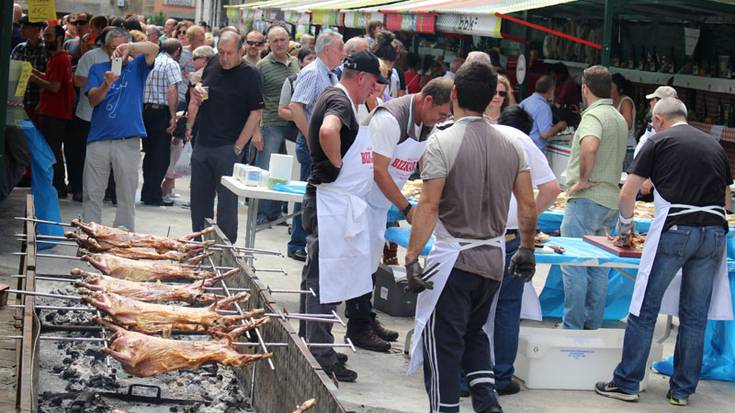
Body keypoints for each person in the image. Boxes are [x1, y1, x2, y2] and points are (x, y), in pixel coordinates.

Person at [404, 61, 537, 413]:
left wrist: (411, 257)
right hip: (494, 257)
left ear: (456, 95)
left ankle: (445, 409)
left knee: (443, 344)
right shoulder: (512, 144)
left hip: (454, 259)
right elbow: (527, 203)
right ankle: (487, 401)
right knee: (475, 332)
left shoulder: (442, 142)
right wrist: (525, 249)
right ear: (494, 96)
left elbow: (429, 206)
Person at [595, 97, 733, 406]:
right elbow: (726, 200)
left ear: (658, 120)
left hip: (676, 228)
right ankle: (682, 391)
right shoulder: (715, 147)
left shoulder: (658, 142)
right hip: (714, 232)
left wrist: (626, 227)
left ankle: (627, 382)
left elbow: (628, 192)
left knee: (645, 307)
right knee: (695, 317)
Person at [301, 50, 388, 382]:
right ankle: (320, 354)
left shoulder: (339, 97)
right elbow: (327, 131)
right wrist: (336, 163)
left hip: (332, 203)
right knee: (326, 279)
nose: (372, 91)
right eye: (372, 84)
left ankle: (313, 342)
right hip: (330, 203)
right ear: (362, 77)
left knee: (317, 276)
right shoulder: (339, 102)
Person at [348, 78, 452, 352]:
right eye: (441, 113)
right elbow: (378, 170)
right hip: (361, 200)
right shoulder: (390, 120)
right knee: (361, 264)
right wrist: (406, 207)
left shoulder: (426, 122)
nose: (442, 120)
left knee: (370, 263)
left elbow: (420, 160)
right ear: (427, 100)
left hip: (381, 203)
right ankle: (357, 327)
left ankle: (365, 317)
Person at [491, 105, 561, 396]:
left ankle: (461, 376)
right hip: (507, 236)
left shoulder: (471, 133)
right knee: (507, 306)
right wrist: (525, 221)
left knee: (468, 306)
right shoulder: (523, 143)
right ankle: (501, 377)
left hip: (467, 235)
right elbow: (552, 189)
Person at [560, 65, 628, 330]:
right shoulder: (618, 116)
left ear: (585, 89)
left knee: (574, 262)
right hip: (610, 199)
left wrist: (583, 180)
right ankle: (592, 323)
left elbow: (589, 145)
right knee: (599, 265)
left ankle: (572, 325)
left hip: (587, 198)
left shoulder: (593, 116)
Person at [186, 31, 264, 243]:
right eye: (221, 52)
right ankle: (199, 243)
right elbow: (203, 89)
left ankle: (224, 249)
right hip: (203, 142)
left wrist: (238, 147)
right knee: (199, 200)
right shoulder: (213, 64)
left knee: (227, 204)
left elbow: (255, 112)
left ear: (241, 51)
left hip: (229, 147)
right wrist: (197, 93)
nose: (225, 57)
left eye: (230, 53)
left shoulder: (250, 74)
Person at [83, 29, 158, 231]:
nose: (118, 53)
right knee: (93, 193)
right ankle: (90, 234)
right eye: (114, 48)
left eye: (121, 47)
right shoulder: (98, 69)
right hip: (99, 139)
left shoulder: (137, 66)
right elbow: (92, 100)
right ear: (107, 50)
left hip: (128, 140)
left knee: (126, 195)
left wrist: (130, 48)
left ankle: (122, 238)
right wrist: (106, 84)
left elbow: (154, 49)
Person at [288, 29, 345, 262]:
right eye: (340, 48)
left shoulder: (331, 73)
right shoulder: (313, 73)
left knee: (313, 192)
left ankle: (304, 240)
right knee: (308, 192)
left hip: (319, 141)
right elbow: (295, 107)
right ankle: (298, 243)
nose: (343, 53)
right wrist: (312, 137)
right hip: (312, 141)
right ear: (328, 49)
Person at [253, 24, 300, 225]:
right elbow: (254, 100)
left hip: (291, 124)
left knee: (283, 171)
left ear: (288, 41)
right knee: (265, 170)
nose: (280, 44)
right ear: (269, 43)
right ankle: (261, 213)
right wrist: (256, 131)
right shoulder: (262, 66)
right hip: (270, 123)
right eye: (275, 40)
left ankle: (275, 212)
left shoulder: (295, 63)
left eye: (283, 39)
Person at [67, 27, 116, 203]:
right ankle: (79, 188)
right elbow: (78, 79)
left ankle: (108, 192)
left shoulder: (123, 60)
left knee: (109, 157)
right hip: (86, 114)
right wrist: (102, 83)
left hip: (110, 117)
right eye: (114, 42)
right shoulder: (91, 57)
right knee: (80, 154)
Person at [30, 24, 74, 198]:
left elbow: (54, 87)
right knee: (52, 150)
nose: (45, 40)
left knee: (52, 151)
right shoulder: (57, 58)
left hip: (55, 113)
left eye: (48, 36)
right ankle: (57, 186)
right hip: (52, 111)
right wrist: (35, 73)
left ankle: (57, 187)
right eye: (45, 36)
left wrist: (33, 78)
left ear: (59, 38)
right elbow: (52, 80)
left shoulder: (61, 58)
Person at [141, 39, 183, 207]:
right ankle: (153, 194)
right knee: (160, 155)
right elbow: (172, 89)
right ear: (178, 51)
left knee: (150, 152)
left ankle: (147, 191)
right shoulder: (171, 64)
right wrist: (173, 116)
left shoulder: (152, 61)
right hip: (161, 111)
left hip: (145, 110)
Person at [11, 16, 47, 125]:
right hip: (19, 102)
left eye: (26, 27)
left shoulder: (46, 50)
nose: (21, 29)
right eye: (21, 26)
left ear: (37, 29)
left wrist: (42, 102)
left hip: (37, 103)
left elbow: (50, 79)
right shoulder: (19, 48)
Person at [519, 75, 567, 150]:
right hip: (534, 151)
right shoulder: (544, 107)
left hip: (521, 147)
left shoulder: (524, 102)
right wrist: (559, 126)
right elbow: (545, 134)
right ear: (551, 90)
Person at [611, 73, 636, 170]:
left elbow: (628, 124)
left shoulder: (626, 102)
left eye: (612, 87)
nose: (609, 89)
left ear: (620, 89)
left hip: (627, 147)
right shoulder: (612, 101)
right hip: (617, 146)